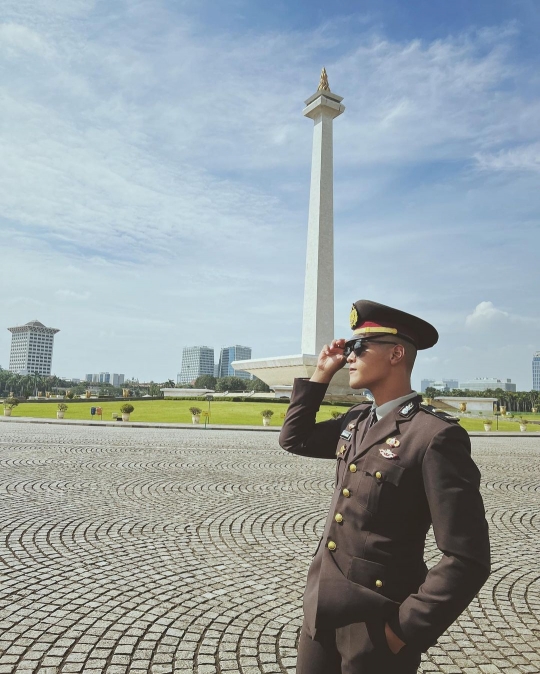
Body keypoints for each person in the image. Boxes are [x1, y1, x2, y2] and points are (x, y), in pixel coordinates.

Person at [279, 300, 490, 674]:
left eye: (360, 347)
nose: (349, 356)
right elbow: (295, 438)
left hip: (376, 627)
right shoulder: (359, 420)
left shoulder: (434, 437)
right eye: (349, 348)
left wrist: (401, 631)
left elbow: (467, 557)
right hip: (321, 614)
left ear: (396, 354)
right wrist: (320, 375)